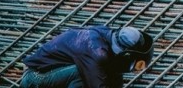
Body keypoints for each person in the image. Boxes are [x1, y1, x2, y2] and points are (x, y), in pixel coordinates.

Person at [20, 25, 154, 88]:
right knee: (81, 74)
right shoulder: (97, 53)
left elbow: (115, 77)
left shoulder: (107, 37)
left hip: (54, 74)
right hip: (35, 78)